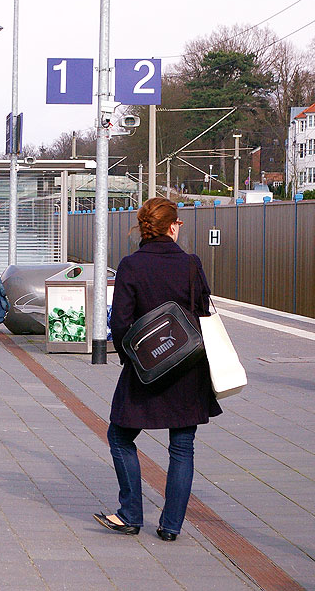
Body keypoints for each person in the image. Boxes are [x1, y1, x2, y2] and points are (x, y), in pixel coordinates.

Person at [94, 197, 222, 542]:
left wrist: (135, 359)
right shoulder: (192, 264)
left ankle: (131, 514)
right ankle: (170, 526)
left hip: (146, 369)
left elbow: (119, 324)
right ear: (173, 225)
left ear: (144, 228)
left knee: (120, 436)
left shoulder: (131, 265)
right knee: (182, 445)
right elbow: (202, 312)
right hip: (189, 368)